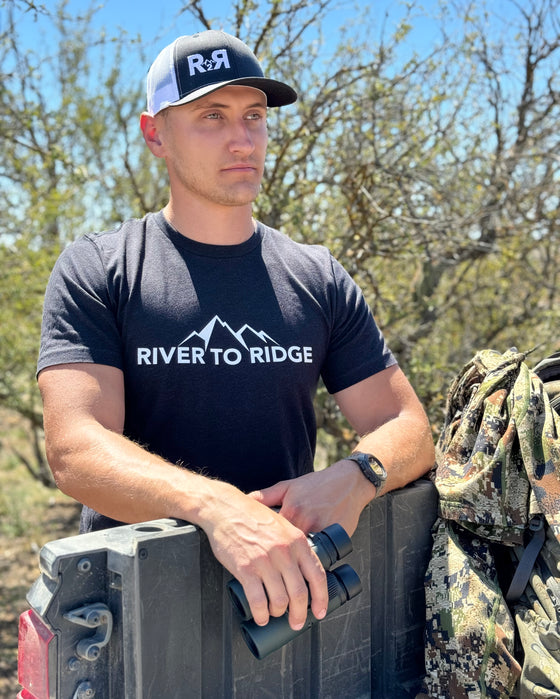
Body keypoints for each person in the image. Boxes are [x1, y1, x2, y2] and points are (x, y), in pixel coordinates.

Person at [37, 30, 435, 633]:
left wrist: (357, 476)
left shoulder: (316, 275)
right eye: (211, 116)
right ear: (155, 135)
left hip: (282, 612)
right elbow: (76, 450)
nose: (242, 137)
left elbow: (407, 427)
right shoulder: (100, 268)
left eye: (254, 116)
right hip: (135, 615)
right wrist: (217, 507)